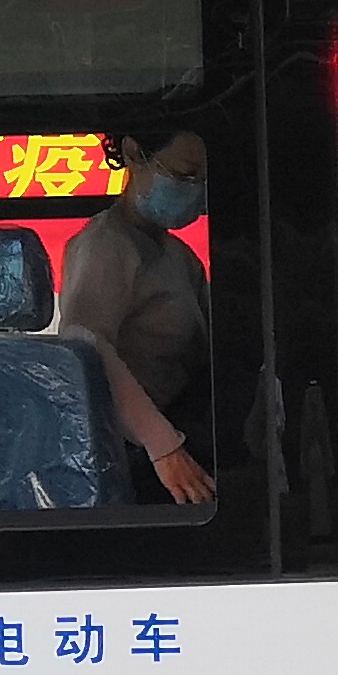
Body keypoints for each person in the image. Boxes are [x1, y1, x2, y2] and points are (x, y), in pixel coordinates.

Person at [56, 132, 215, 505]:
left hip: (184, 423)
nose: (194, 190)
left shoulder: (179, 258)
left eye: (203, 180)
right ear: (133, 153)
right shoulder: (105, 245)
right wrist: (164, 447)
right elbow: (85, 347)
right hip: (137, 454)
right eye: (184, 174)